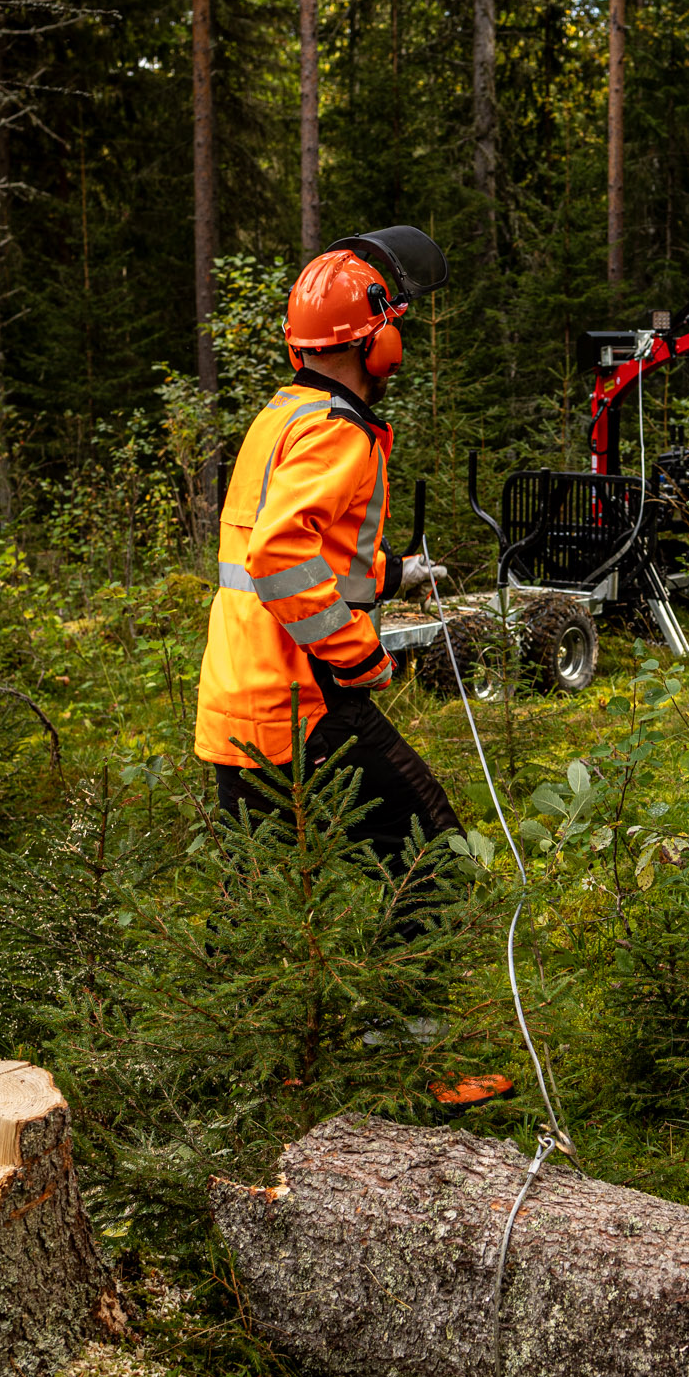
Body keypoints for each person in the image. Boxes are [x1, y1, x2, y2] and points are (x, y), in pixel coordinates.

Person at [194, 225, 459, 883]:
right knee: (435, 855)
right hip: (303, 701)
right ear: (377, 345)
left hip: (238, 694)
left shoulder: (282, 416)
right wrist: (360, 656)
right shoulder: (340, 434)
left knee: (265, 901)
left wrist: (396, 574)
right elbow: (278, 556)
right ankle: (413, 988)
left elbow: (313, 547)